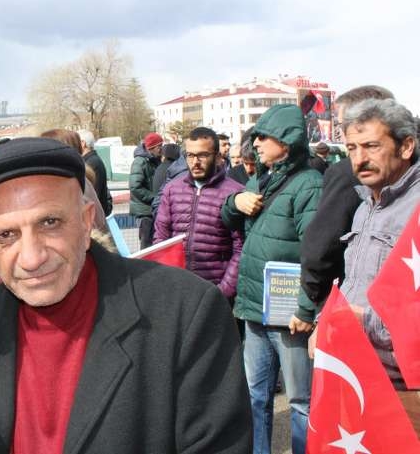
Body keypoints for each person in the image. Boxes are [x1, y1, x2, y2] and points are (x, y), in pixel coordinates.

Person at [0, 137, 251, 454]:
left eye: (50, 223)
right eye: (5, 236)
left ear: (85, 221)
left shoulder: (186, 312)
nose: (32, 257)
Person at [221, 104, 322, 454]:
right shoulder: (259, 178)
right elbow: (228, 219)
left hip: (289, 316)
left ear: (287, 140)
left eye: (264, 136)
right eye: (256, 136)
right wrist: (236, 201)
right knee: (255, 396)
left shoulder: (309, 184)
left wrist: (306, 309)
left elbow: (316, 252)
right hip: (254, 310)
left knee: (299, 400)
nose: (257, 143)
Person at [317, 98, 419, 428]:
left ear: (406, 146)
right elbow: (355, 283)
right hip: (359, 375)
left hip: (405, 389)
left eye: (371, 146)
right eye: (351, 148)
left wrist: (362, 321)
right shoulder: (365, 206)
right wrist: (327, 321)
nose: (359, 159)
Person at [300, 85, 394, 306]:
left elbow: (319, 251)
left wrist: (325, 304)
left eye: (343, 125)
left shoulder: (347, 172)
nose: (342, 134)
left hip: (357, 308)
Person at [154, 127, 244, 299]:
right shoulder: (172, 190)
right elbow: (161, 240)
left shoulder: (235, 193)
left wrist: (222, 291)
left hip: (215, 293)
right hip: (178, 290)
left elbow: (240, 249)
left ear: (218, 157)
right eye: (190, 155)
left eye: (202, 155)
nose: (195, 162)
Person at [130, 132, 163, 249]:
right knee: (146, 245)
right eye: (159, 146)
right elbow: (135, 186)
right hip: (145, 212)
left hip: (151, 209)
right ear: (151, 148)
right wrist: (155, 197)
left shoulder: (154, 160)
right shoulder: (140, 162)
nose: (161, 149)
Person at [77, 129, 112, 216]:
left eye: (76, 142)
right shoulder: (92, 160)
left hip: (95, 215)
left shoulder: (91, 163)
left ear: (83, 143)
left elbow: (91, 195)